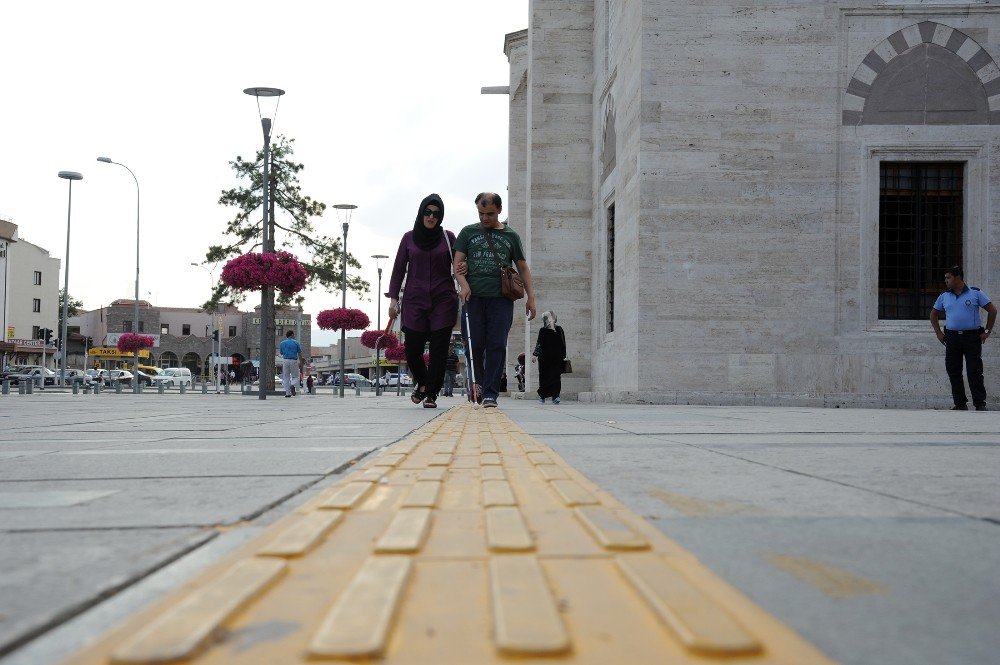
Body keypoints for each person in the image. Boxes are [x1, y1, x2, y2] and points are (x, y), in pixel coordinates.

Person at [454, 192, 536, 408]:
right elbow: (457, 265)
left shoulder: (510, 236)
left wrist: (531, 297)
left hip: (501, 299)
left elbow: (523, 267)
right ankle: (478, 384)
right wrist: (464, 284)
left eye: (489, 214)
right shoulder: (468, 233)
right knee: (475, 345)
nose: (484, 218)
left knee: (497, 345)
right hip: (474, 298)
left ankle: (490, 393)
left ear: (499, 210)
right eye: (481, 213)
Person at [387, 193, 459, 409]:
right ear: (421, 213)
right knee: (412, 350)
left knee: (438, 350)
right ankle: (423, 383)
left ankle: (431, 394)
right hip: (415, 299)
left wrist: (466, 283)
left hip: (443, 299)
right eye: (427, 212)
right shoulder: (408, 238)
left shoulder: (448, 237)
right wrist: (392, 299)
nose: (431, 217)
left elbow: (459, 264)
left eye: (436, 214)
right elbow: (398, 268)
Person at [930, 266, 997, 411]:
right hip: (952, 338)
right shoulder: (944, 296)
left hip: (972, 337)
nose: (945, 281)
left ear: (958, 277)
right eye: (945, 278)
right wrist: (939, 333)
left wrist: (987, 331)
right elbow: (933, 315)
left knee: (974, 370)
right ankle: (960, 403)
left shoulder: (975, 293)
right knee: (953, 370)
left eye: (948, 277)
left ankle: (980, 403)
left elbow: (992, 310)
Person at [532, 310, 567, 404]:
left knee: (556, 377)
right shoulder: (542, 330)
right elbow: (539, 343)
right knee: (544, 377)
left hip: (557, 358)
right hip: (544, 358)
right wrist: (535, 355)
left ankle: (556, 396)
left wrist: (564, 356)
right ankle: (542, 396)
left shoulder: (559, 329)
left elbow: (563, 343)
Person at [278, 330, 302, 398]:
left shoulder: (282, 343)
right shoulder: (296, 342)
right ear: (291, 335)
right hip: (293, 360)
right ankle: (292, 384)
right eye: (294, 335)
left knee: (286, 377)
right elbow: (299, 353)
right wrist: (300, 362)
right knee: (296, 376)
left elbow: (281, 353)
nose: (294, 336)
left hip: (285, 360)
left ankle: (288, 393)